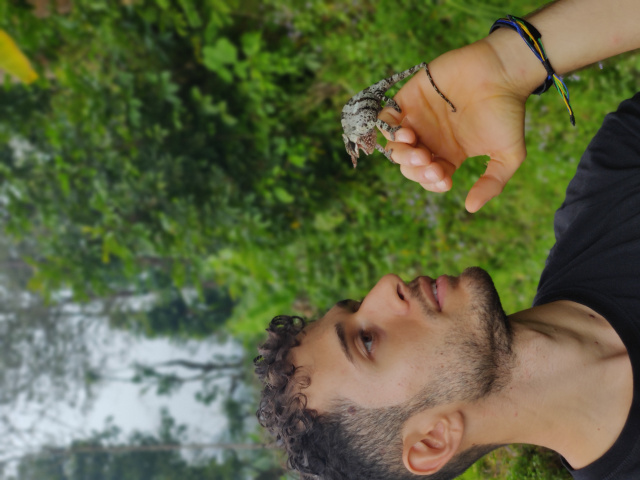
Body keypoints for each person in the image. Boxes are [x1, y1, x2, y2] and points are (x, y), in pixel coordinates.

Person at [254, 0, 640, 478]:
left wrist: (509, 62)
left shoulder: (614, 182)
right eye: (367, 341)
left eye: (355, 305)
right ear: (433, 440)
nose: (385, 285)